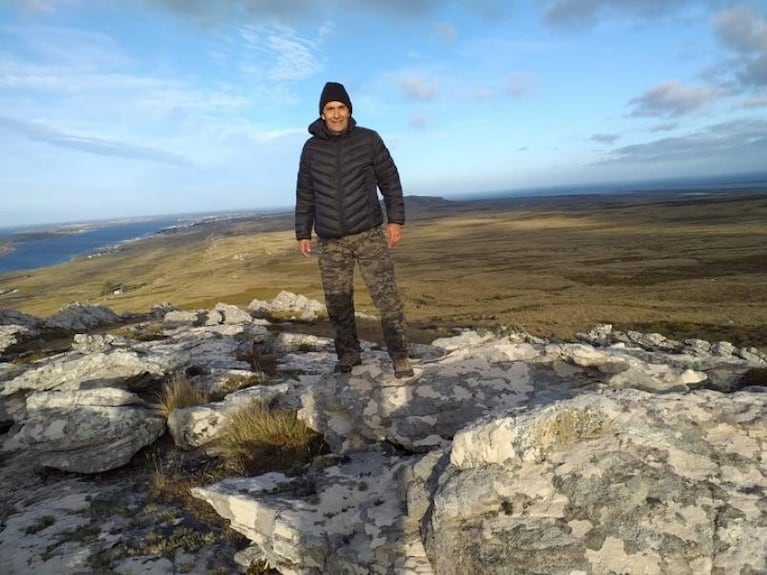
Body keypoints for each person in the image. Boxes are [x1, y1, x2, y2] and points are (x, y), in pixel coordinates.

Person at [294, 81, 414, 378]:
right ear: (322, 113)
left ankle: (400, 355)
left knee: (386, 298)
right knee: (338, 302)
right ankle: (348, 354)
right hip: (330, 240)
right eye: (330, 109)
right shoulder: (311, 149)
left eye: (341, 108)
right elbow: (305, 192)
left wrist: (395, 220)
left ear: (349, 110)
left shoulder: (368, 140)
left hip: (369, 233)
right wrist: (302, 232)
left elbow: (390, 180)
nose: (336, 114)